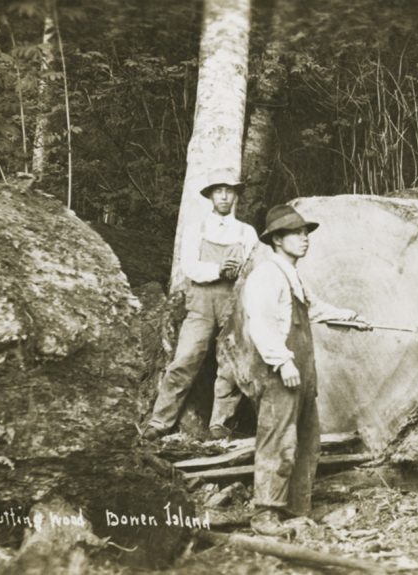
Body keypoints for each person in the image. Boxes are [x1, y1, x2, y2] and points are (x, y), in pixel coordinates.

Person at [235, 204, 360, 536]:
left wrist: (350, 318)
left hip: (303, 372)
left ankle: (294, 510)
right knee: (278, 442)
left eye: (306, 233)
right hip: (281, 372)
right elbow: (260, 324)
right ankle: (265, 514)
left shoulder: (291, 274)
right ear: (277, 239)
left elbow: (314, 308)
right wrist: (282, 361)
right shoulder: (265, 275)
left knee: (307, 440)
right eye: (297, 233)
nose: (305, 239)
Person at [143, 176, 261, 441]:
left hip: (235, 300)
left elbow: (255, 268)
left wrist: (238, 270)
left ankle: (220, 422)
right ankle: (159, 421)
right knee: (185, 358)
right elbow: (189, 266)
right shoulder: (197, 228)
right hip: (201, 299)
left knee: (230, 362)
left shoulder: (246, 232)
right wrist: (219, 269)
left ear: (235, 197)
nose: (224, 197)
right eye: (218, 191)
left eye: (229, 192)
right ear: (210, 196)